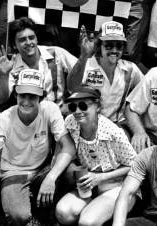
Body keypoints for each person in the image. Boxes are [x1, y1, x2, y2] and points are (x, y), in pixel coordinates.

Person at [0, 68, 77, 226]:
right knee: (20, 216)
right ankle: (23, 199)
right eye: (22, 95)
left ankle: (56, 204)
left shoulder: (50, 109)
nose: (26, 101)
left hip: (43, 168)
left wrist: (51, 177)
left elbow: (69, 147)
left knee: (74, 174)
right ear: (16, 95)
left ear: (41, 97)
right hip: (14, 172)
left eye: (32, 96)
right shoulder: (4, 119)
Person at [55, 88, 137, 226]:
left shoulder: (112, 132)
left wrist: (101, 178)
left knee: (87, 222)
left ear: (98, 106)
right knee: (64, 213)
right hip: (89, 184)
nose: (77, 111)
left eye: (83, 105)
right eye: (73, 106)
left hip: (117, 185)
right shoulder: (71, 122)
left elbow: (134, 165)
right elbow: (61, 143)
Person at [67, 21, 144, 125]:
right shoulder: (86, 65)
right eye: (109, 45)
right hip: (89, 124)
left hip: (117, 126)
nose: (114, 50)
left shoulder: (130, 69)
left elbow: (144, 91)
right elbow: (72, 88)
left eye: (119, 46)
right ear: (99, 46)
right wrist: (84, 56)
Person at [0, 17, 77, 111]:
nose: (29, 43)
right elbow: (1, 100)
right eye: (22, 40)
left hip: (58, 114)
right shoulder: (11, 65)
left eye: (31, 37)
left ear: (37, 39)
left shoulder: (56, 53)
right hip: (28, 117)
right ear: (14, 45)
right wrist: (4, 75)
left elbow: (85, 72)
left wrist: (71, 104)